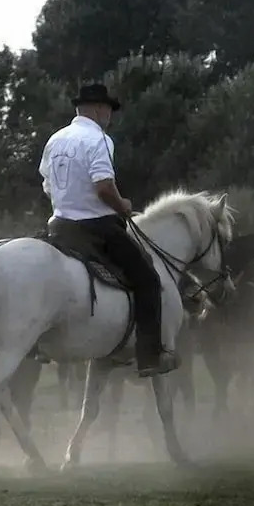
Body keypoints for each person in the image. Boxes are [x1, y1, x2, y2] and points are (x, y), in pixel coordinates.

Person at [38, 83, 177, 377]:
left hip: (59, 227)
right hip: (96, 229)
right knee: (148, 279)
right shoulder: (99, 139)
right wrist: (122, 205)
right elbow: (103, 187)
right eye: (109, 110)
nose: (110, 116)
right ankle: (150, 356)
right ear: (99, 109)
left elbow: (48, 186)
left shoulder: (55, 139)